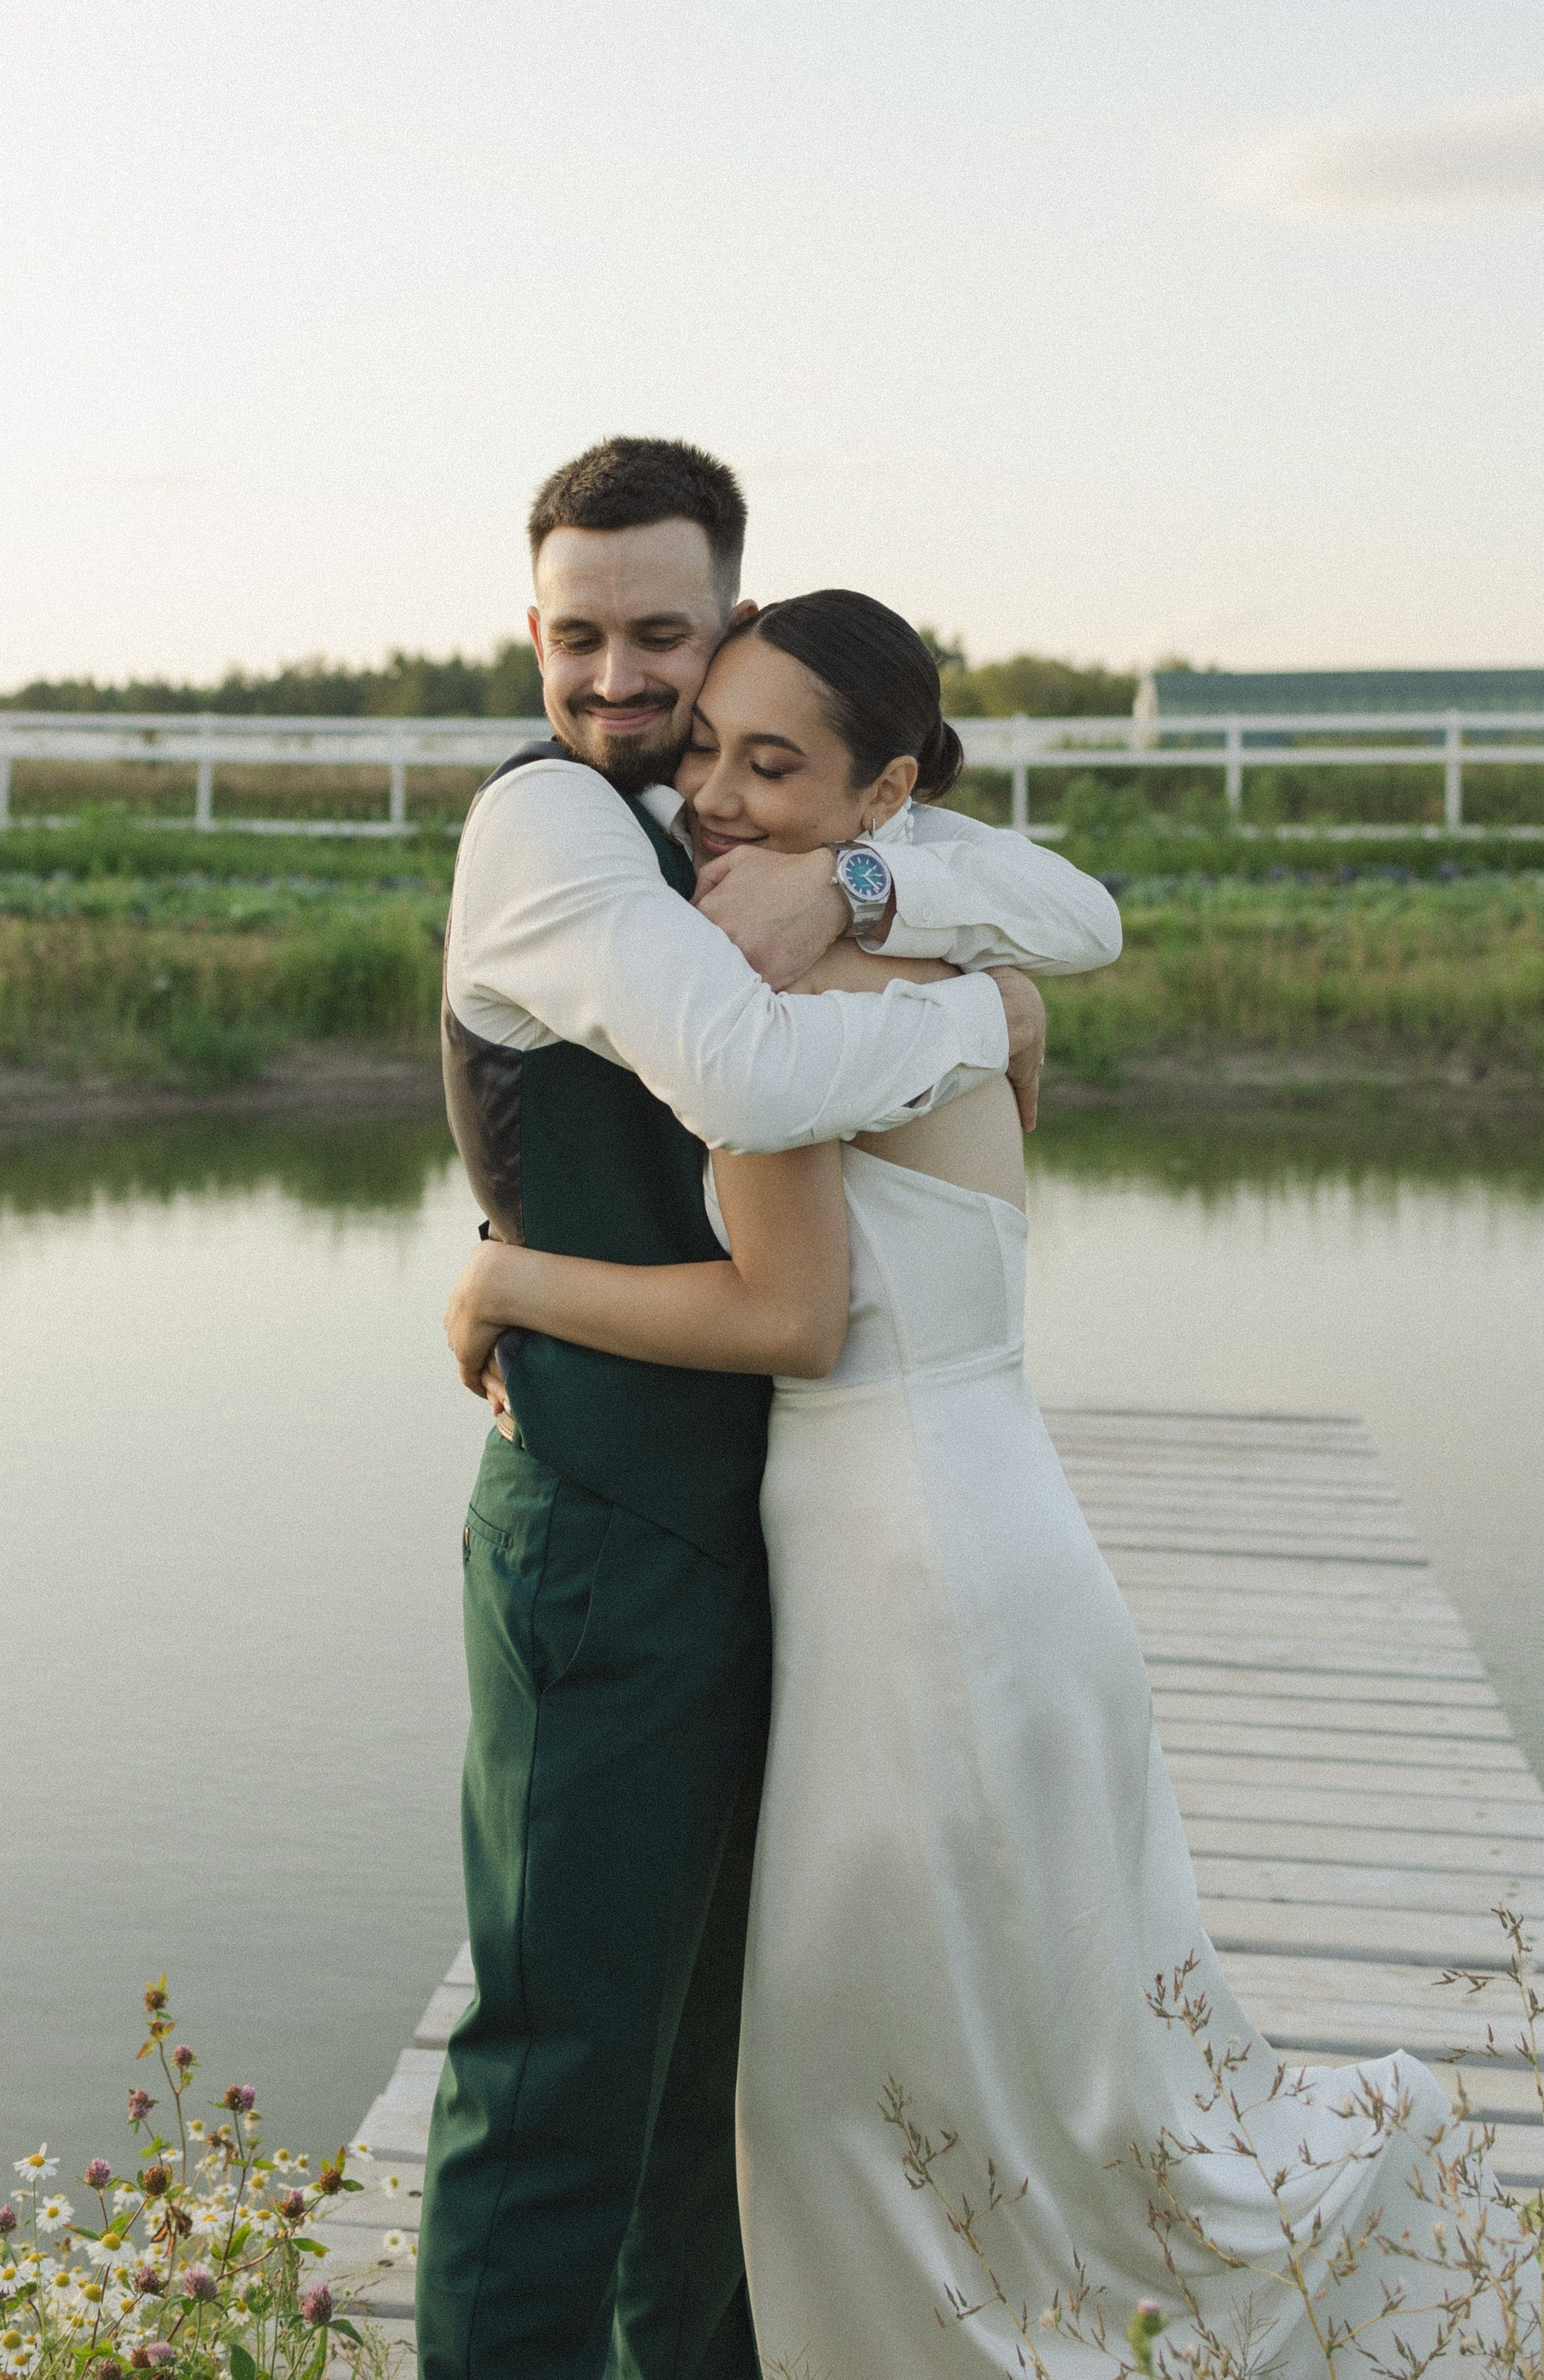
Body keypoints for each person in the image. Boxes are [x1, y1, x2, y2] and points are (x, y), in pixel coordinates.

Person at [446, 590, 1541, 2378]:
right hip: (1000, 1534)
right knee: (1043, 2066)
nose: (713, 792)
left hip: (904, 1575)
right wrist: (985, 996)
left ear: (881, 797)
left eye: (765, 761)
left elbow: (789, 1311)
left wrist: (502, 1277)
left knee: (845, 2092)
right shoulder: (919, 933)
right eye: (707, 750)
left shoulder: (792, 975)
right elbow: (1056, 933)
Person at [417, 439, 1122, 2380]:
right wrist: (980, 1016)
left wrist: (878, 877)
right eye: (577, 635)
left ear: (725, 621)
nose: (617, 680)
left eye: (661, 634)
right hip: (599, 1535)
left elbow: (1068, 900)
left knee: (701, 2095)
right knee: (558, 2077)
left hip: (747, 1537)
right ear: (532, 633)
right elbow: (740, 1062)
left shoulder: (725, 820)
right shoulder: (551, 828)